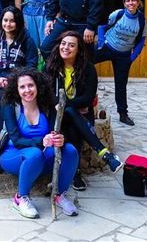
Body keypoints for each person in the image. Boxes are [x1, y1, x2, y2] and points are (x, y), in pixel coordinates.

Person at [46, 31, 123, 191]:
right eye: (64, 43)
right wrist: (69, 104)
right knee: (71, 113)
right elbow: (48, 94)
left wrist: (66, 104)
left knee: (72, 119)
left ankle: (75, 171)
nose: (66, 47)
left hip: (77, 116)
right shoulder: (52, 66)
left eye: (71, 45)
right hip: (58, 115)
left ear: (79, 49)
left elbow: (88, 98)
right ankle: (103, 154)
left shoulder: (88, 69)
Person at [0, 68, 79, 219]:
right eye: (22, 87)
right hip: (14, 155)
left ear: (38, 86)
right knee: (34, 154)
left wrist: (60, 139)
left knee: (70, 150)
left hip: (42, 155)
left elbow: (56, 132)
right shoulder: (11, 106)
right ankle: (20, 197)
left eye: (31, 85)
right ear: (16, 89)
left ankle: (59, 194)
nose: (27, 90)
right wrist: (41, 142)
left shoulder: (47, 106)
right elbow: (16, 140)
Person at [0, 6, 39, 161]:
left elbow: (32, 62)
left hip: (18, 80)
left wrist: (15, 79)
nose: (8, 24)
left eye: (12, 21)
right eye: (5, 20)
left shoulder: (26, 39)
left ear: (18, 22)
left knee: (6, 102)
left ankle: (2, 144)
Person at [94, 0, 147, 126]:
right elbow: (102, 26)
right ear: (124, 3)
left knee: (121, 85)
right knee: (86, 62)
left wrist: (132, 57)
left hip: (124, 56)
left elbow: (142, 40)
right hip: (107, 47)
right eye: (128, 1)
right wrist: (100, 43)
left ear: (138, 2)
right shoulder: (118, 14)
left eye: (133, 0)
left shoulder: (141, 19)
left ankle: (123, 114)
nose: (131, 3)